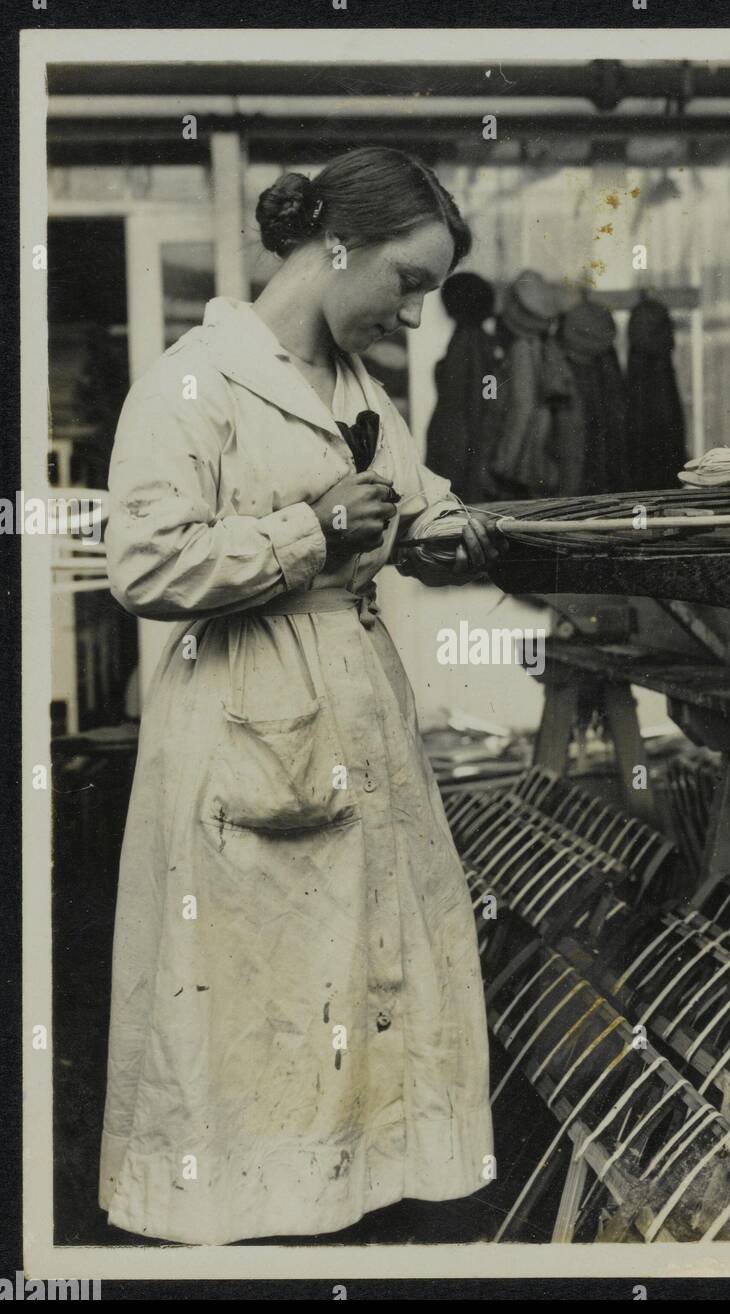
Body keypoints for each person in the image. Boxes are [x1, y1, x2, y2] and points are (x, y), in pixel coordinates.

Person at [99, 147, 504, 1245]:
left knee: (353, 983)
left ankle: (346, 1210)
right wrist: (305, 531)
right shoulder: (196, 381)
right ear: (336, 247)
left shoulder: (356, 390)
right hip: (245, 723)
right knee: (254, 1010)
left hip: (352, 706)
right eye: (407, 283)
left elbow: (412, 507)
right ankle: (256, 1237)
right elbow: (140, 563)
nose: (417, 315)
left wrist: (469, 533)